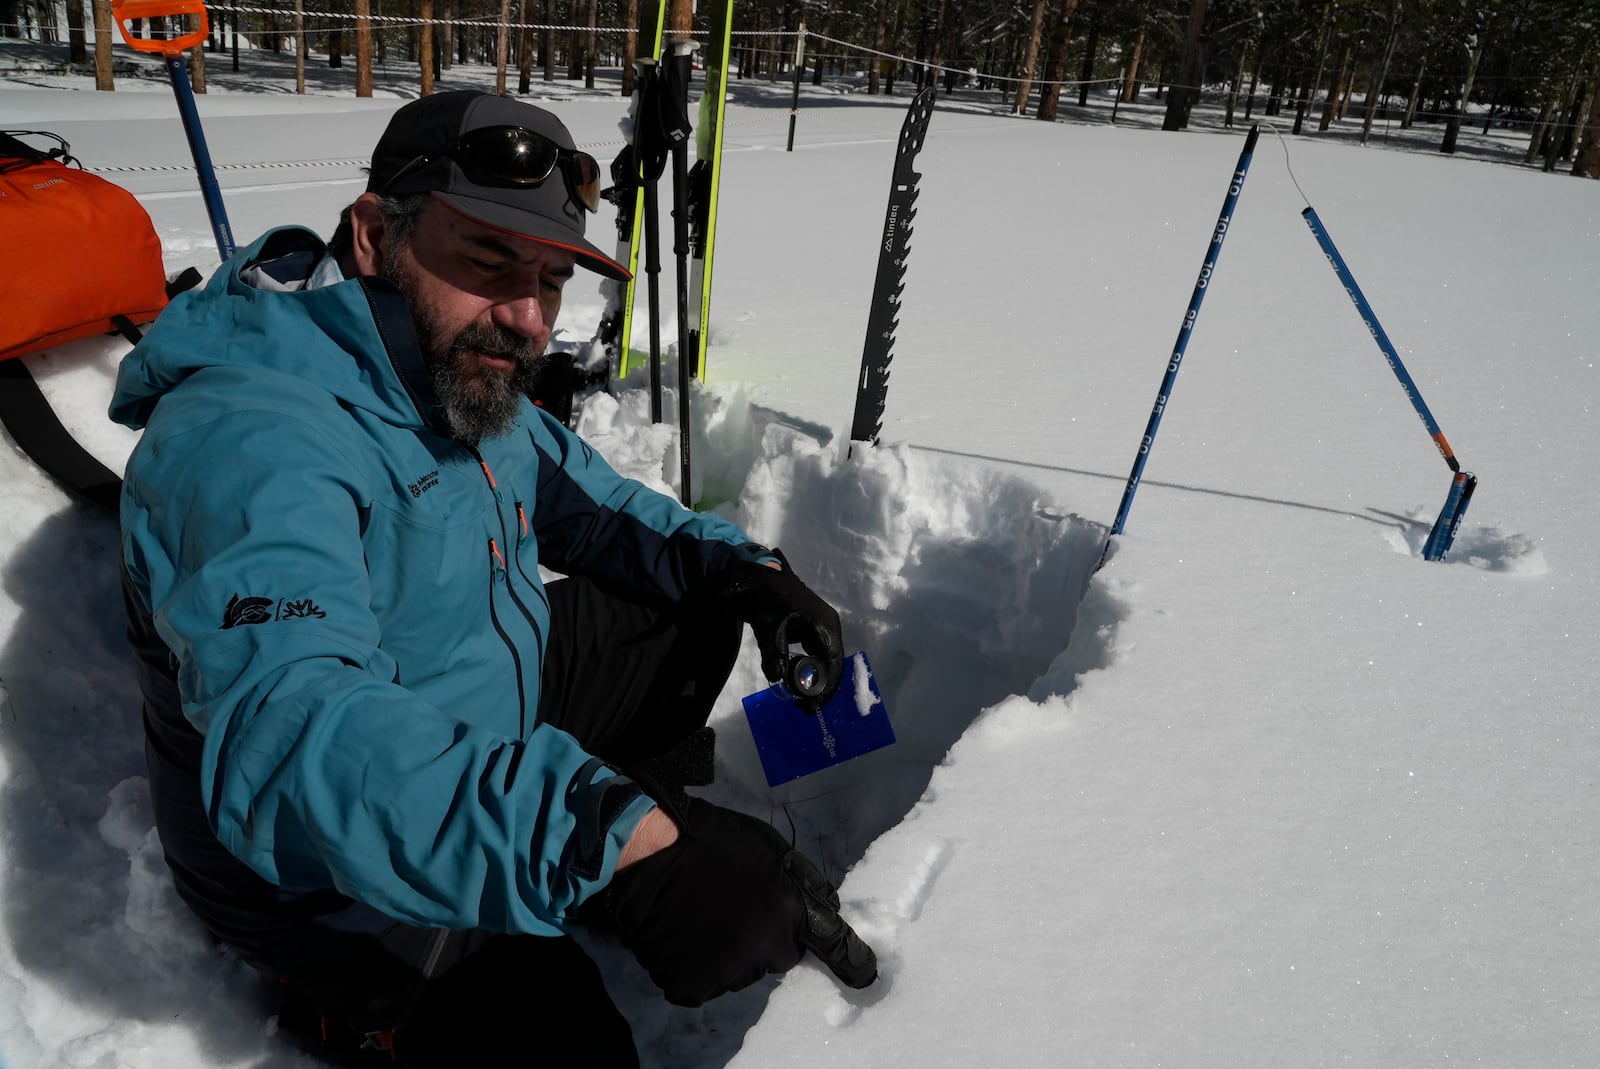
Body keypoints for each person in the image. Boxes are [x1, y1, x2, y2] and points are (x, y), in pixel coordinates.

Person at [110, 90, 876, 1066]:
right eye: (486, 259)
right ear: (375, 232)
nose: (526, 317)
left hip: (473, 710)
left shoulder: (456, 368)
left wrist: (748, 574)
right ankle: (445, 932)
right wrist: (587, 834)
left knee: (690, 607)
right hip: (335, 863)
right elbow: (298, 724)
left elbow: (595, 508)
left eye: (551, 278)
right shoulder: (252, 437)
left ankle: (599, 823)